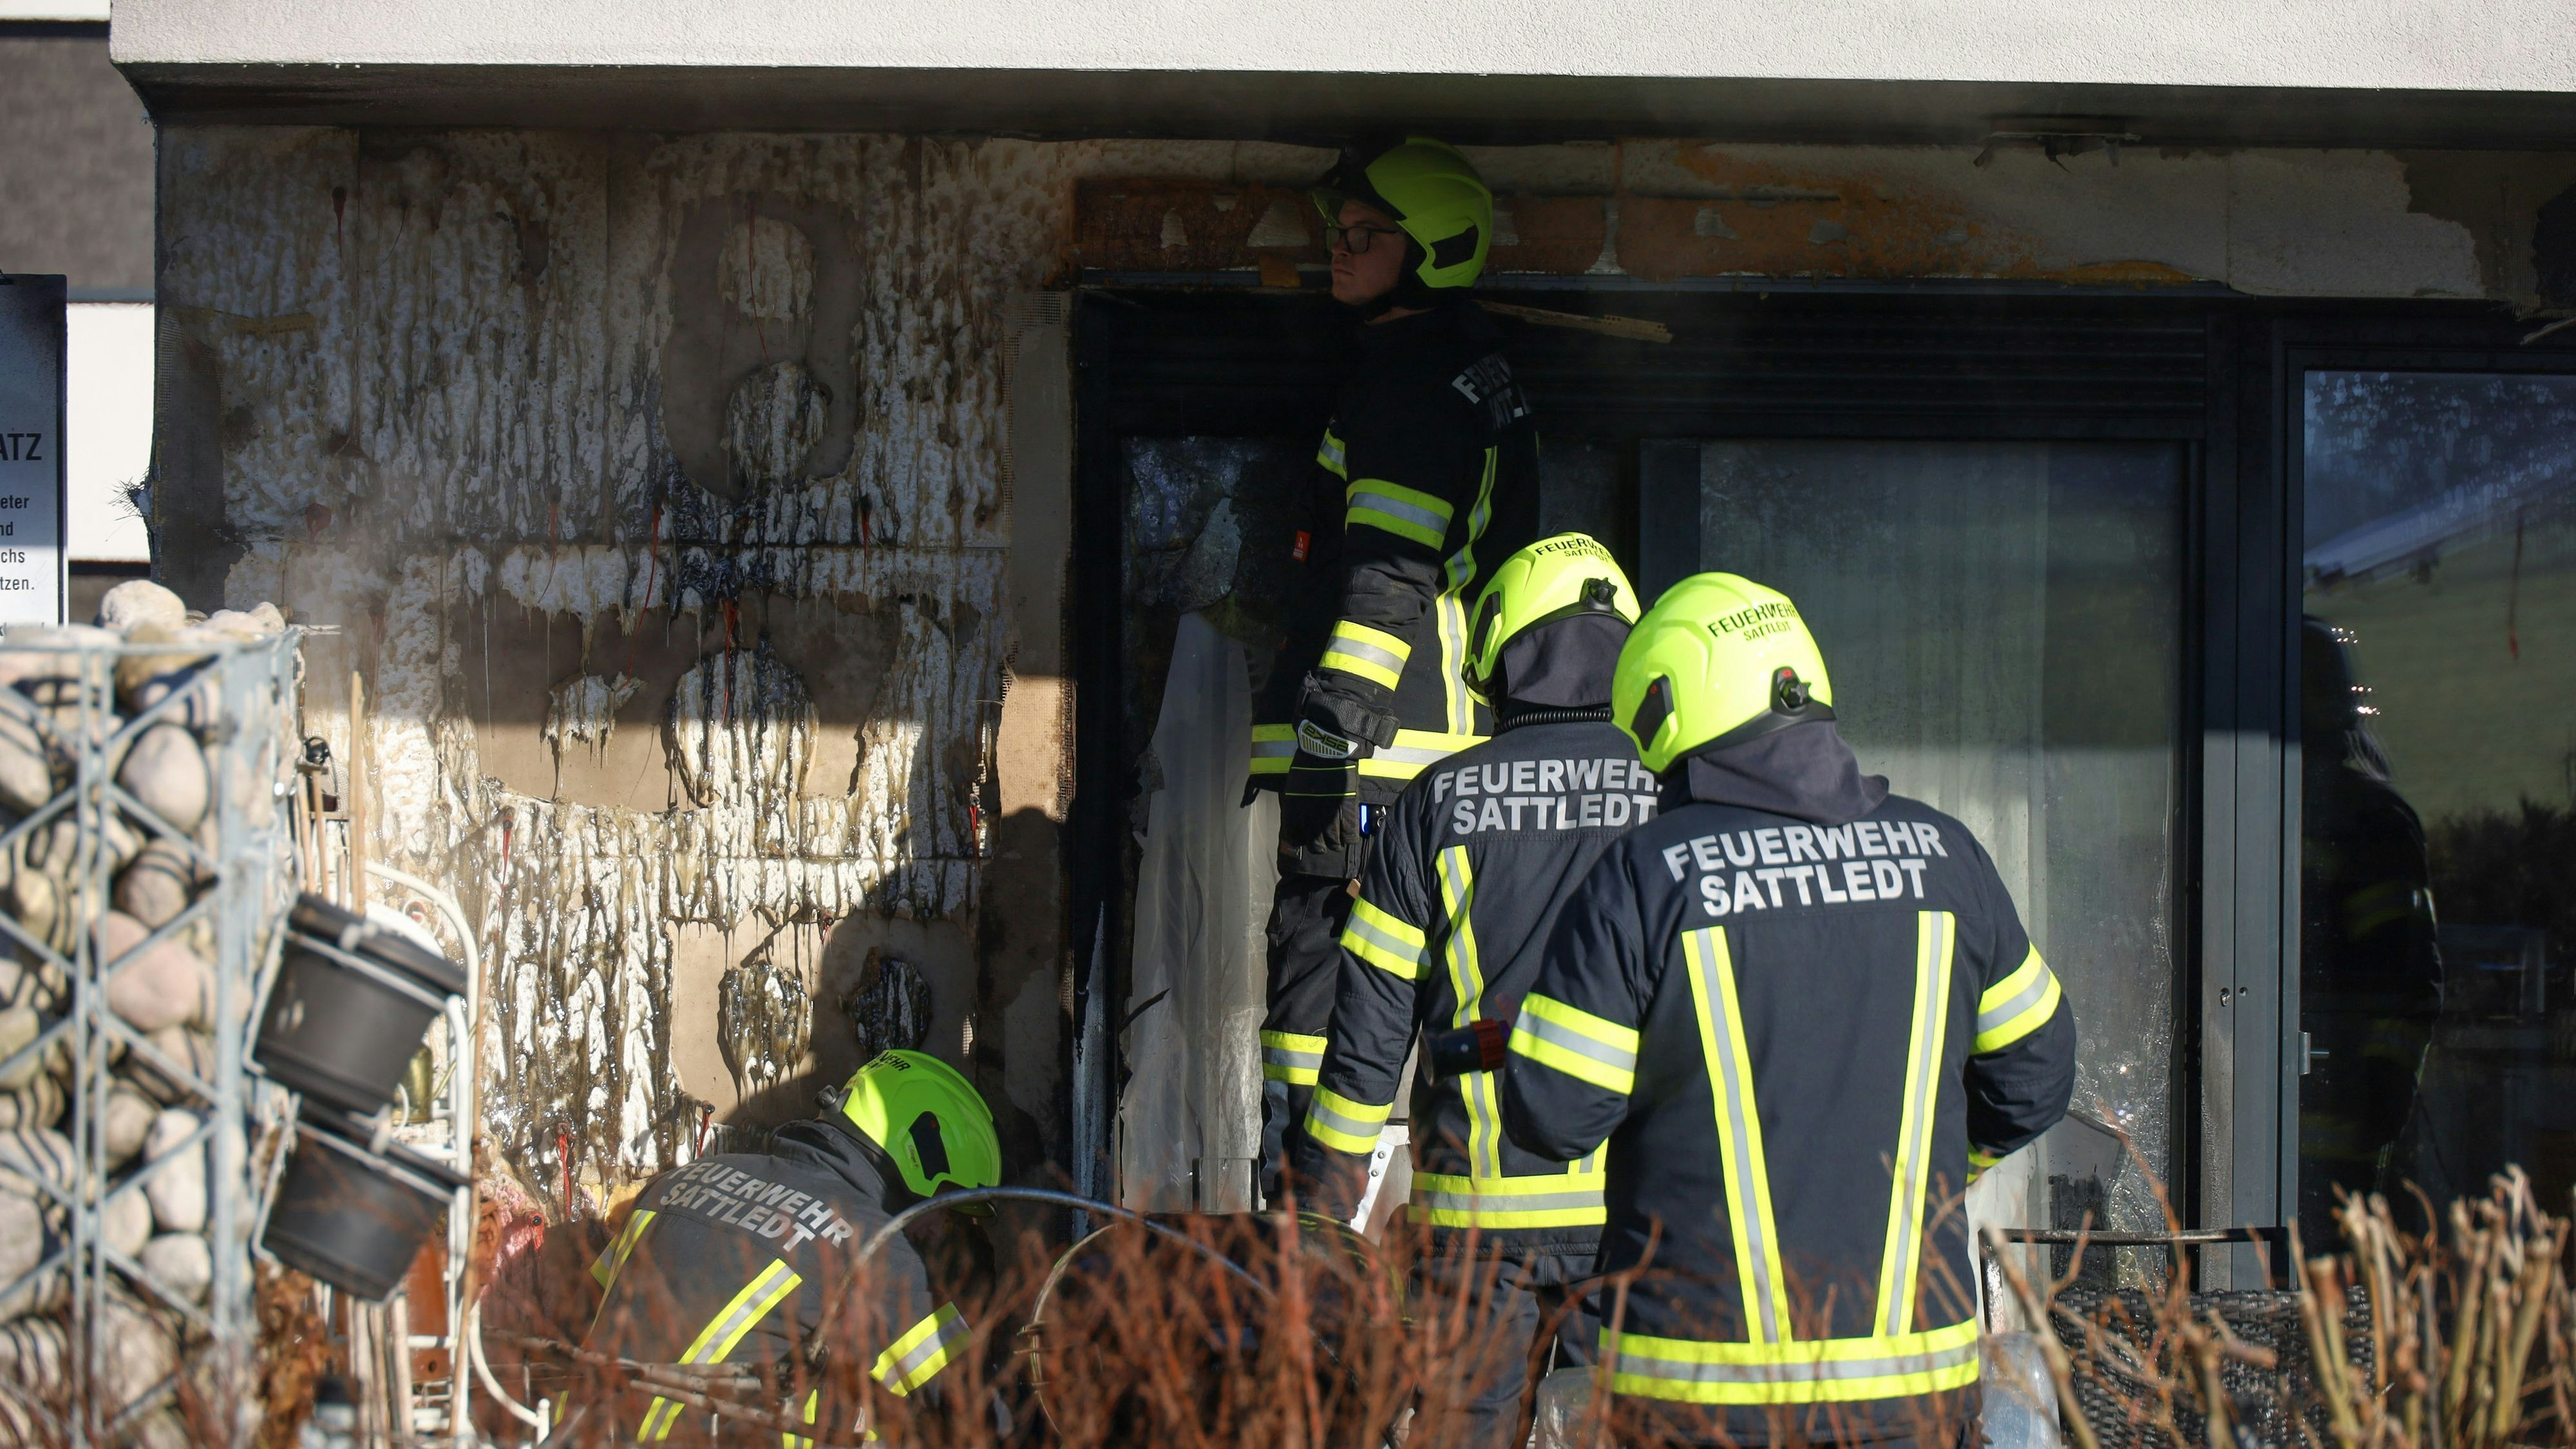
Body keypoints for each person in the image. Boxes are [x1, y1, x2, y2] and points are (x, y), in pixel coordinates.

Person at [1501, 573, 2076, 1447]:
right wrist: (1918, 1159)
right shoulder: (1949, 858)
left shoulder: (1646, 874)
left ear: (1665, 707)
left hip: (1698, 1395)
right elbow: (2035, 1080)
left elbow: (1553, 1114)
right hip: (1917, 1396)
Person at [1287, 533, 1649, 1448]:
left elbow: (1367, 1034)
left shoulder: (1437, 802)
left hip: (1479, 1229)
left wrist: (1324, 1207)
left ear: (1500, 646)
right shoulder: (1673, 796)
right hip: (1639, 1213)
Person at [1246, 135, 1540, 1201]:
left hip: (1376, 759)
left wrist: (1334, 726)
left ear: (1434, 251)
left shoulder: (1409, 382)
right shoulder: (1455, 366)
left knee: (1324, 978)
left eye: (1365, 235)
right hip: (1423, 746)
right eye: (1338, 230)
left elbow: (1389, 570)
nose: (1340, 248)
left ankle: (1310, 1216)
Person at [573, 1050, 1001, 1446]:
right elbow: (988, 1424)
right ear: (923, 1165)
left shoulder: (677, 1184)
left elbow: (575, 1314)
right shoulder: (884, 1256)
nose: (946, 1231)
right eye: (952, 1212)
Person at [2296, 615, 2441, 1241]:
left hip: (2330, 1156)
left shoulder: (2366, 823)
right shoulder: (2243, 808)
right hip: (2257, 1141)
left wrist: (2374, 1110)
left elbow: (2404, 986)